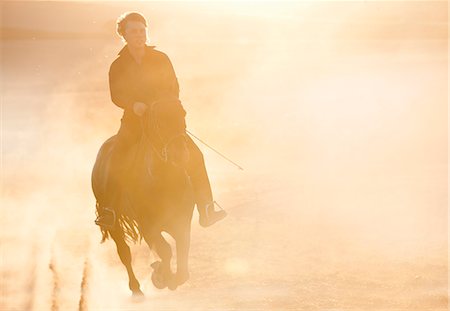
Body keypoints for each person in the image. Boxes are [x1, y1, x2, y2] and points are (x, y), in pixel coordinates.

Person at [95, 12, 226, 229]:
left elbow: (173, 86)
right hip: (134, 121)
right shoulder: (117, 66)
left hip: (164, 119)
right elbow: (116, 95)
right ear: (124, 35)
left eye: (142, 30)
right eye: (134, 31)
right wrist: (134, 105)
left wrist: (163, 103)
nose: (139, 35)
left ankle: (206, 208)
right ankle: (110, 211)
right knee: (117, 156)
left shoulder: (161, 58)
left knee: (195, 154)